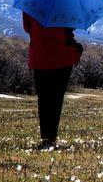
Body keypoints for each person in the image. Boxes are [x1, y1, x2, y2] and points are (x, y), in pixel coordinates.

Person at [23, 12, 83, 150]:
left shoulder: (33, 1)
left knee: (43, 98)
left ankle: (45, 138)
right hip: (63, 55)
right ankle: (51, 138)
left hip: (39, 55)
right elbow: (71, 25)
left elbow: (27, 27)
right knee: (56, 99)